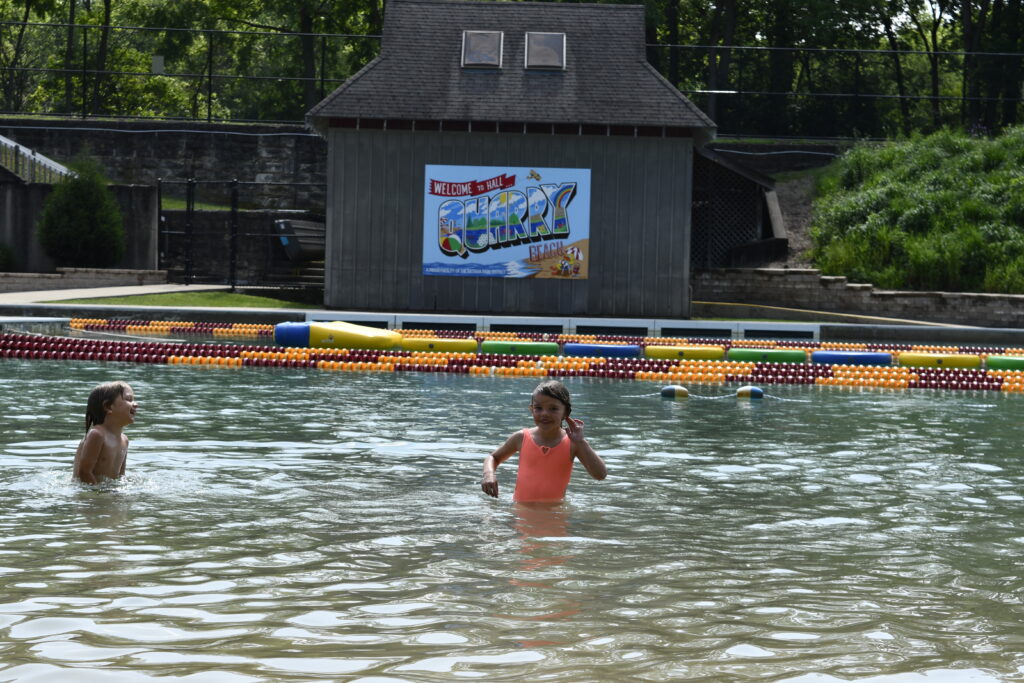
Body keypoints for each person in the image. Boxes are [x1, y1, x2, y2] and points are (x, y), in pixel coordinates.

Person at [481, 380, 606, 502]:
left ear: (566, 413)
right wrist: (489, 474)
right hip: (521, 514)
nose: (545, 413)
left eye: (553, 408)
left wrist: (581, 442)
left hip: (555, 515)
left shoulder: (573, 443)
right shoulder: (521, 437)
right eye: (538, 408)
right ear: (531, 410)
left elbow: (600, 475)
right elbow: (493, 457)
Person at [74, 381, 137, 484]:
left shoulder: (125, 441)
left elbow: (121, 477)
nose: (135, 404)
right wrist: (100, 497)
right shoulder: (97, 435)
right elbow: (84, 473)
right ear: (108, 407)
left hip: (105, 491)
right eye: (129, 399)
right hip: (88, 495)